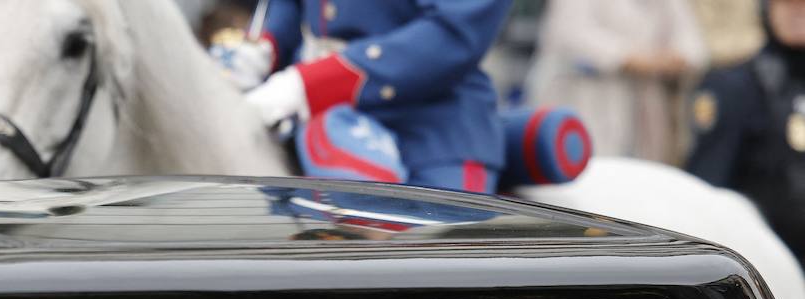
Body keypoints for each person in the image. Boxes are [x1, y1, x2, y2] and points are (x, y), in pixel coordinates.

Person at [210, 0, 511, 192]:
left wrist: (311, 84)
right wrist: (265, 49)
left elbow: (454, 33)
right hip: (313, 124)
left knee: (435, 268)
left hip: (430, 134)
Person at [686, 0, 805, 263]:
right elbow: (707, 187)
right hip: (764, 260)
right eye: (788, 5)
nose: (798, 13)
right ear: (767, 9)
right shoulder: (734, 87)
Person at [526, 0, 708, 163]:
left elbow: (692, 43)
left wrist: (678, 59)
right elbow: (568, 33)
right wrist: (628, 58)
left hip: (643, 108)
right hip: (585, 98)